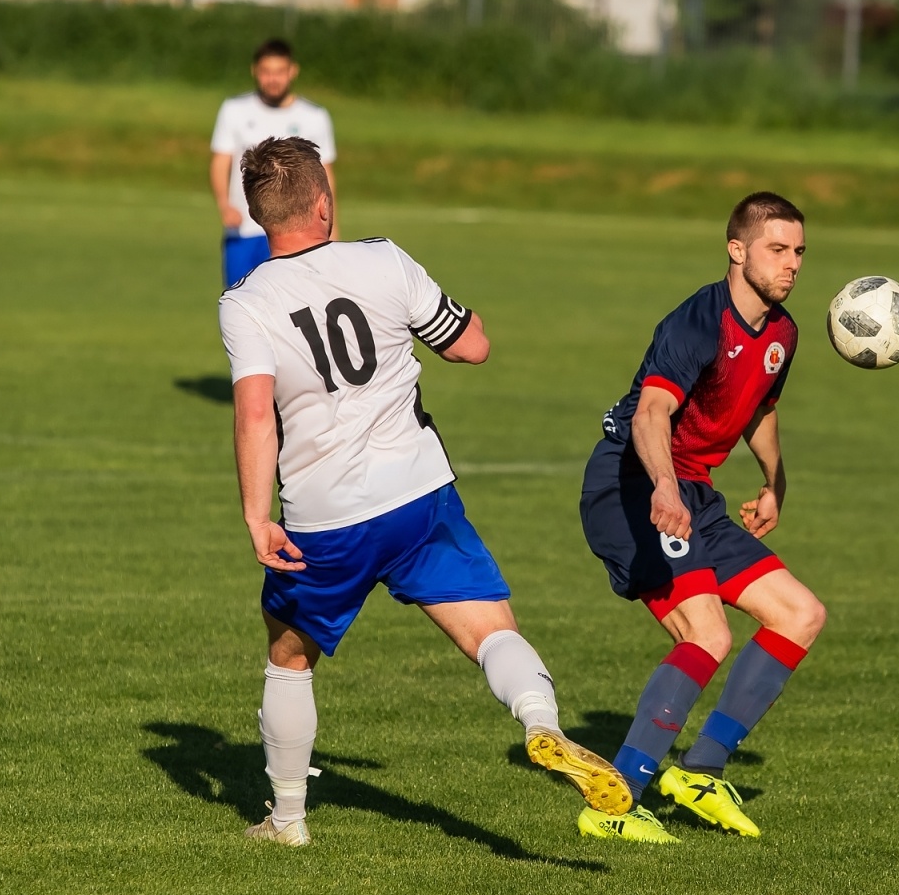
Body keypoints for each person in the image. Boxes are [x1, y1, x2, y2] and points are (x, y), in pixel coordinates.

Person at [218, 136, 630, 848]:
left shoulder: (246, 303)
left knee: (289, 656)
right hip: (419, 496)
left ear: (259, 219)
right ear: (325, 202)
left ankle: (287, 821)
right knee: (492, 630)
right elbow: (472, 345)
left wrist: (257, 515)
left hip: (325, 518)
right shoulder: (384, 259)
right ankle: (541, 723)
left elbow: (256, 414)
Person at [576, 192, 828, 844]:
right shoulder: (697, 323)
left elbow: (759, 410)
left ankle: (700, 771)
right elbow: (650, 414)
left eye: (799, 251)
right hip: (633, 483)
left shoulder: (782, 333)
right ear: (737, 250)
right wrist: (664, 487)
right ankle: (615, 800)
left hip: (694, 493)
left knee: (800, 614)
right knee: (708, 635)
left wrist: (775, 484)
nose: (792, 263)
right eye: (778, 249)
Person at [210, 39, 337, 289]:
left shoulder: (314, 117)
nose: (273, 79)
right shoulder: (234, 110)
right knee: (242, 304)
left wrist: (332, 229)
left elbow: (326, 178)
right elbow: (220, 162)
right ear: (255, 71)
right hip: (244, 229)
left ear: (292, 71)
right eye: (266, 72)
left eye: (279, 72)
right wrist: (224, 205)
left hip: (298, 232)